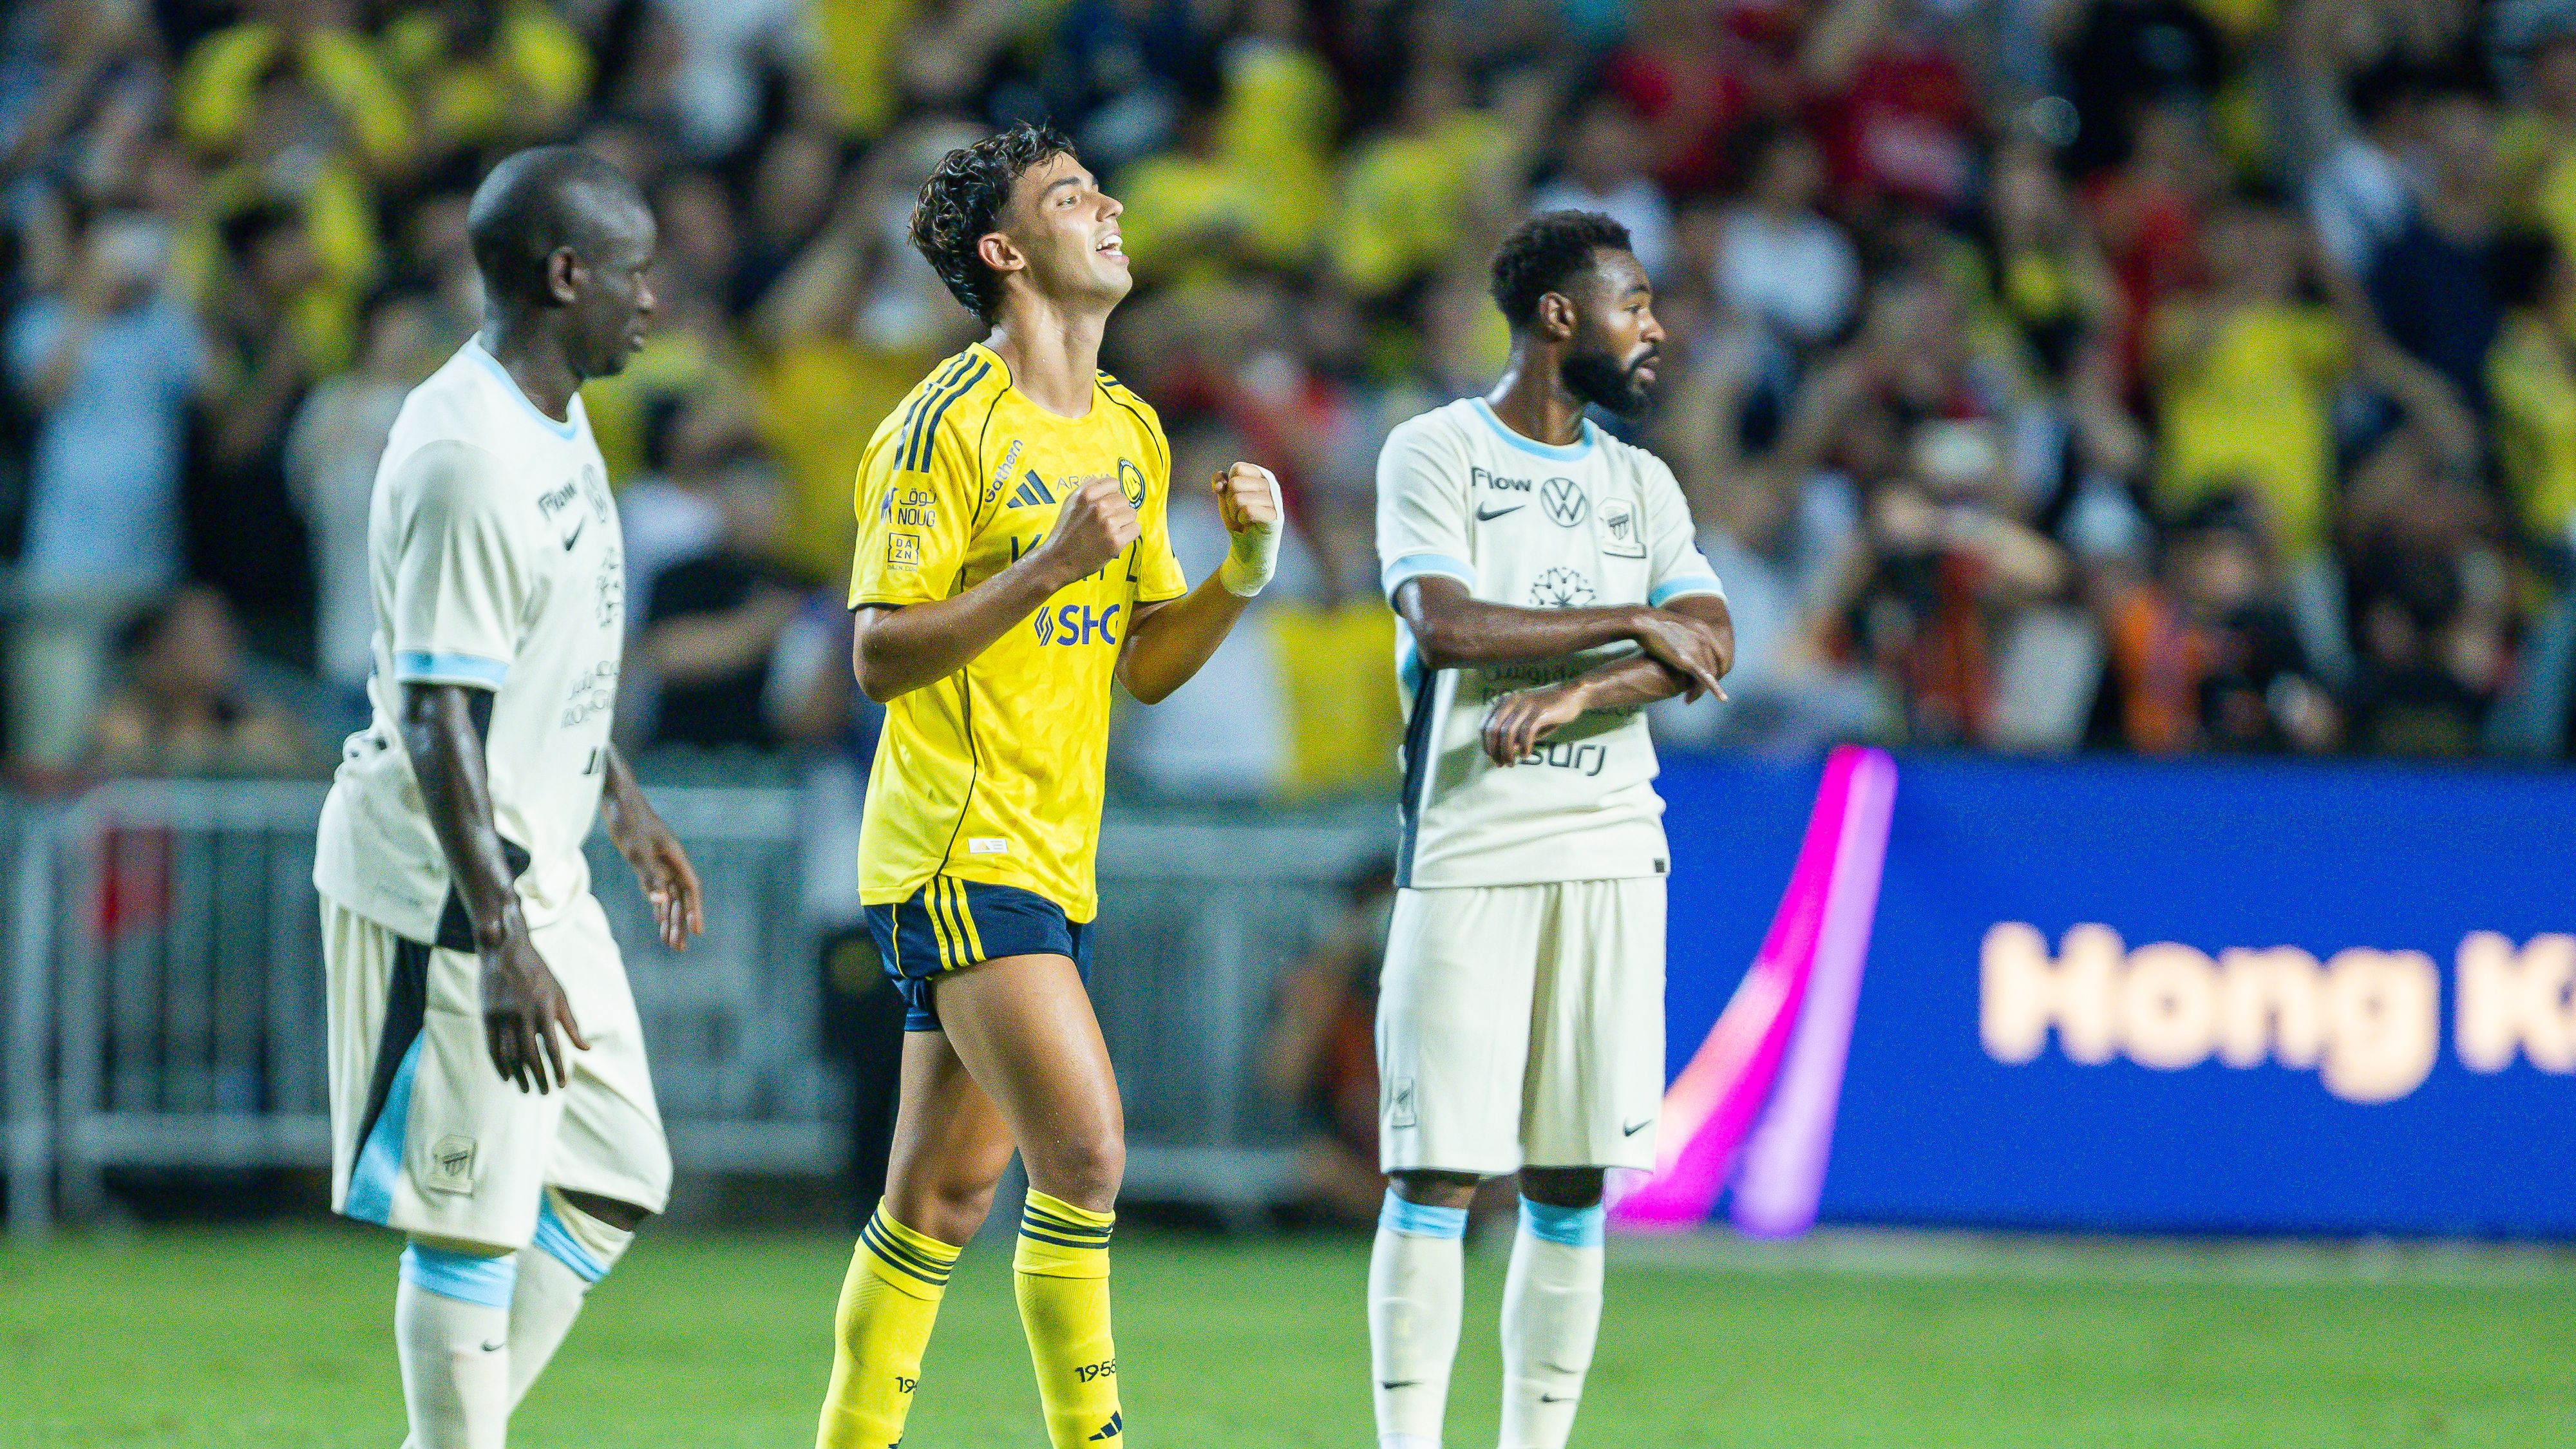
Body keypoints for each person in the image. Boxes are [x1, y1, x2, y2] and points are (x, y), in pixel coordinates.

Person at [811, 121, 1284, 1449]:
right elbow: (877, 652)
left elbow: (1141, 666)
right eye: (1073, 197)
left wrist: (1239, 575)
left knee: (940, 1205)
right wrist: (1043, 567)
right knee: (1082, 1155)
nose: (1113, 206)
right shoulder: (940, 426)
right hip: (960, 847)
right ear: (1007, 251)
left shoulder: (1129, 431)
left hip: (1049, 850)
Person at [308, 146, 706, 1449]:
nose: (655, 299)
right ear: (564, 274)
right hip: (446, 887)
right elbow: (437, 716)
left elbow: (551, 649)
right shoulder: (465, 457)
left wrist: (619, 796)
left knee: (616, 1174)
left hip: (538, 864)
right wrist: (501, 935)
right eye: (636, 273)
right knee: (468, 1207)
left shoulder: (555, 411)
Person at [1368, 210, 1733, 1449]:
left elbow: (1715, 646)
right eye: (1635, 303)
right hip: (1470, 846)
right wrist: (1637, 621)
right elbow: (1450, 626)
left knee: (1576, 1181)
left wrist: (1582, 688)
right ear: (1559, 317)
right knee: (1437, 1173)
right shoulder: (1435, 452)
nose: (1658, 328)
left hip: (1614, 850)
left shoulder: (1645, 480)